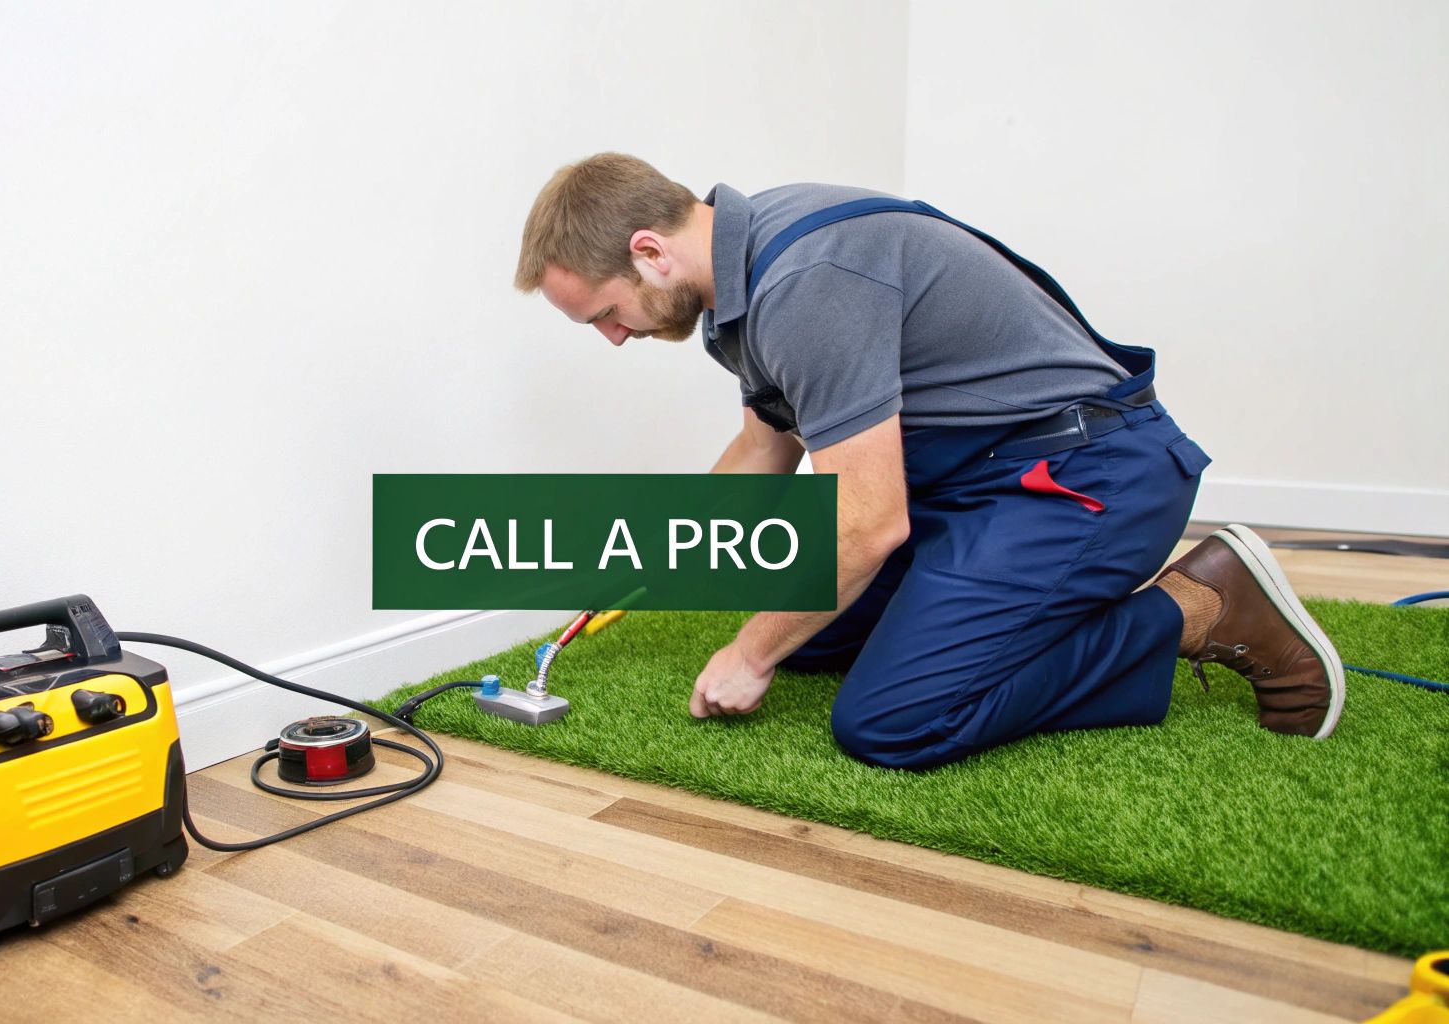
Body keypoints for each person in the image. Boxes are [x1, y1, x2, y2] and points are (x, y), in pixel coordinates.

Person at [511, 152, 1343, 770]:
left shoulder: (804, 283)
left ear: (649, 252)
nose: (616, 338)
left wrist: (748, 654)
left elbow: (868, 525)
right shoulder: (744, 275)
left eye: (605, 315)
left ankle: (1198, 606)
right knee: (802, 629)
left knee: (891, 720)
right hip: (978, 483)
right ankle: (982, 608)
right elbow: (767, 444)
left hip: (1088, 476)